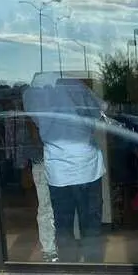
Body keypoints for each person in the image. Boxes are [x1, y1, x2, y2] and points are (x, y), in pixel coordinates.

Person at [23, 77, 106, 263]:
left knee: (63, 227)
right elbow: (99, 112)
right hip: (88, 167)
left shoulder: (33, 94)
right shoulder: (77, 87)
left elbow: (35, 123)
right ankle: (94, 268)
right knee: (91, 227)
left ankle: (69, 268)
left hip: (58, 172)